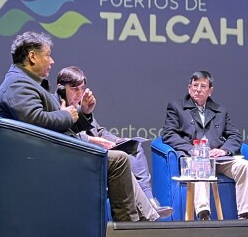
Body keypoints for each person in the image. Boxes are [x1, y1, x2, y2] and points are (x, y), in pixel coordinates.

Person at [0, 31, 149, 221]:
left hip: (53, 152)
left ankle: (144, 220)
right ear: (32, 56)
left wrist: (81, 114)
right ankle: (127, 230)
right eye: (48, 55)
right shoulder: (18, 84)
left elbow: (53, 124)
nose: (51, 61)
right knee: (119, 160)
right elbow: (34, 121)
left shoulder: (27, 82)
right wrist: (67, 115)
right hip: (48, 159)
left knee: (123, 154)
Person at [56, 65, 173, 220]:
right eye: (74, 89)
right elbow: (66, 137)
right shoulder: (59, 109)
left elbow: (99, 130)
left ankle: (150, 201)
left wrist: (116, 140)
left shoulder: (80, 107)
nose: (79, 94)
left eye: (82, 89)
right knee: (121, 160)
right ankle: (148, 215)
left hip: (97, 150)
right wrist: (92, 140)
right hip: (83, 155)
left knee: (134, 148)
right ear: (62, 89)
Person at [161, 71, 248, 220]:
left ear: (210, 91)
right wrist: (192, 150)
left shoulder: (220, 110)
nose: (198, 89)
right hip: (193, 159)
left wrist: (224, 150)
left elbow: (235, 135)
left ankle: (245, 215)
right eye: (195, 85)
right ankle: (203, 213)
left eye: (203, 86)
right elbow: (168, 134)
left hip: (218, 159)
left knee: (244, 165)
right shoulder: (176, 107)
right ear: (189, 88)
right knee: (202, 165)